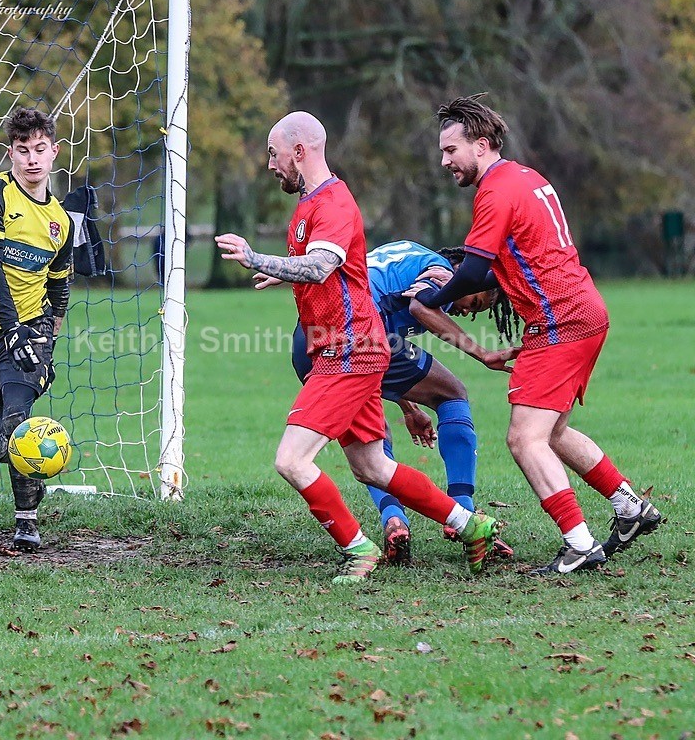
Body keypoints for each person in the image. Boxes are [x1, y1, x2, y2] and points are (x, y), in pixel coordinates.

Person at [215, 110, 504, 585]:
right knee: (372, 465)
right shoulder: (309, 205)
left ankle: (358, 549)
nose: (270, 164)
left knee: (291, 460)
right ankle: (471, 525)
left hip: (348, 351)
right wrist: (283, 270)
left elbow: (322, 266)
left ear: (300, 151)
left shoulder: (333, 203)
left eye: (274, 153)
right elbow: (325, 271)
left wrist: (254, 257)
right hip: (341, 346)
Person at [408, 94, 662, 574]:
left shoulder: (495, 191)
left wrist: (428, 302)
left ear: (481, 146)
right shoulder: (524, 177)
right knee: (553, 431)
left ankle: (579, 543)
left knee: (525, 439)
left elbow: (475, 269)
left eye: (451, 151)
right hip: (584, 310)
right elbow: (496, 270)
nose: (445, 162)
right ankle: (630, 507)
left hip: (560, 321)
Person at [287, 241, 519, 564]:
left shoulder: (410, 256)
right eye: (476, 302)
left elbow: (385, 342)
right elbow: (419, 308)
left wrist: (409, 407)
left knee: (372, 444)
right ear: (465, 276)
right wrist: (482, 354)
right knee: (452, 393)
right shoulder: (441, 271)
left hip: (309, 342)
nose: (467, 312)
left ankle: (394, 523)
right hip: (356, 335)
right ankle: (464, 512)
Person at [0, 107, 73, 551]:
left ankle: (26, 521)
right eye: (23, 151)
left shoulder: (60, 221)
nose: (32, 160)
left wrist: (47, 343)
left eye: (40, 150)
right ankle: (34, 468)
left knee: (17, 421)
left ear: (54, 152)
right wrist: (9, 330)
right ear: (11, 154)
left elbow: (61, 286)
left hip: (29, 331)